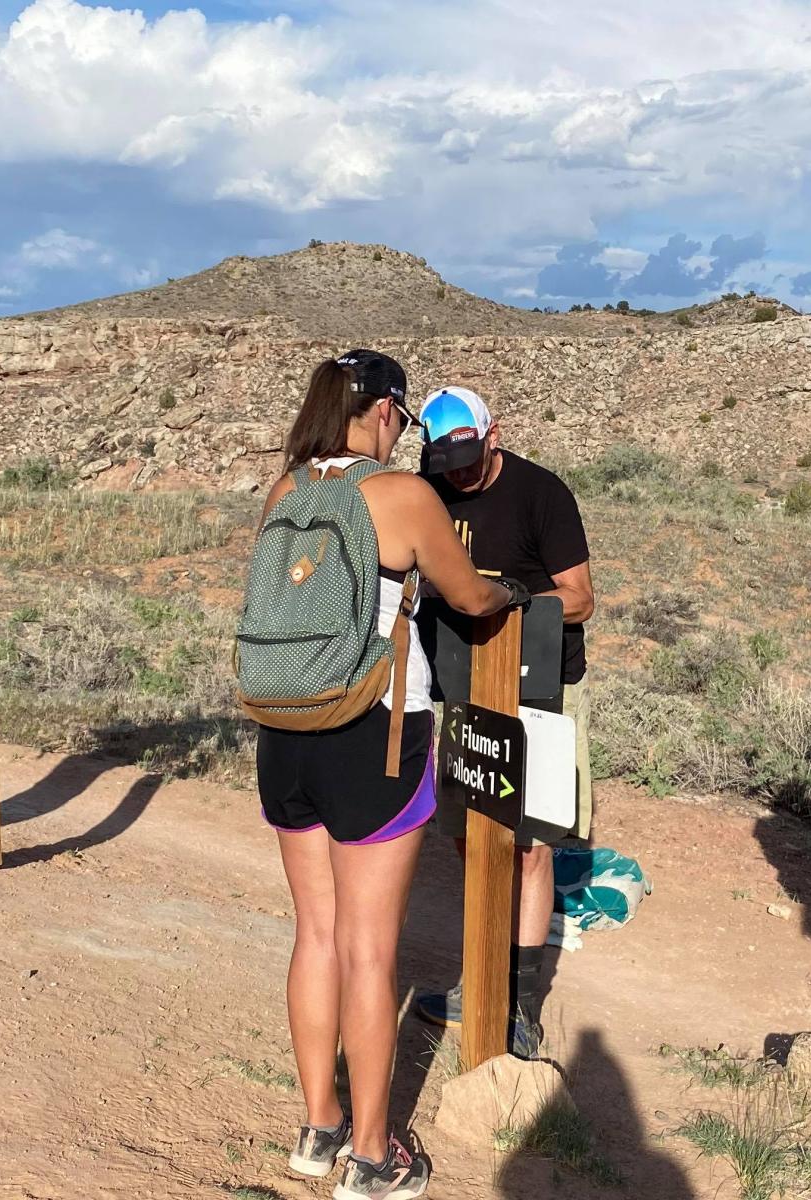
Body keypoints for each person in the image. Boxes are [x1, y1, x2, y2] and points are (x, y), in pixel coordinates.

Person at [251, 352, 522, 1200]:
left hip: (285, 731)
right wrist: (510, 592)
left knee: (316, 936)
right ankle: (373, 1156)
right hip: (374, 733)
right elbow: (469, 596)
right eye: (401, 419)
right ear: (382, 413)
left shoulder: (285, 492)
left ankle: (317, 1126)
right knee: (372, 954)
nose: (403, 434)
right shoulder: (402, 497)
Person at [407, 386, 594, 1061]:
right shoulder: (429, 487)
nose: (457, 473)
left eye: (467, 457)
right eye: (445, 460)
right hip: (456, 685)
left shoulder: (541, 494)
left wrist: (508, 601)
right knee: (469, 837)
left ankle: (523, 1003)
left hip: (533, 687)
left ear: (494, 434)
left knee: (530, 845)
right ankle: (476, 983)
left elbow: (580, 599)